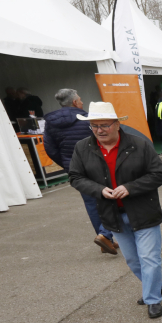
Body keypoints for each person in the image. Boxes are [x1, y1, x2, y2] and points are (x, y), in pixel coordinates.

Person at [69, 102, 162, 318]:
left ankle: (152, 299)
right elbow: (75, 177)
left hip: (143, 211)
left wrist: (130, 187)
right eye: (94, 126)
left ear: (117, 124)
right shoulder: (82, 148)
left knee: (149, 258)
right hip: (112, 214)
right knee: (133, 260)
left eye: (104, 125)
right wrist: (98, 190)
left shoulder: (139, 144)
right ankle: (156, 286)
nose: (99, 130)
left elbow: (159, 173)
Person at [45, 88, 118, 255]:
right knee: (112, 197)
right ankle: (105, 235)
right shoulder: (87, 119)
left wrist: (68, 164)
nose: (82, 102)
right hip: (98, 165)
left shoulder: (51, 122)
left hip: (75, 169)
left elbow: (50, 148)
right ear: (75, 102)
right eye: (80, 99)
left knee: (91, 203)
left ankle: (104, 239)